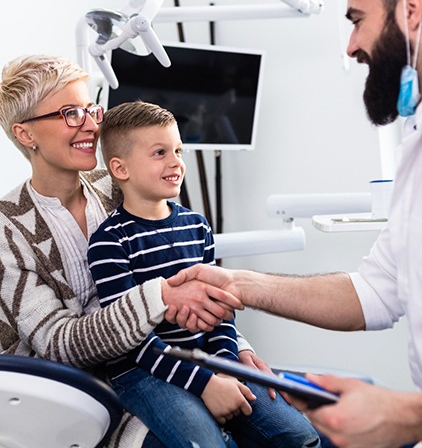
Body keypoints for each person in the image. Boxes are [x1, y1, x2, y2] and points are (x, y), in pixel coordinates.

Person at [167, 0, 422, 447]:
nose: (351, 46)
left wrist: (406, 414)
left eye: (356, 18)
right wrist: (239, 283)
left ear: (410, 10)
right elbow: (376, 291)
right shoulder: (415, 154)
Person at [0, 54, 255, 448]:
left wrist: (235, 349)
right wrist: (162, 296)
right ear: (25, 134)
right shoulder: (7, 228)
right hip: (74, 397)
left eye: (90, 109)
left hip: (165, 364)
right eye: (70, 113)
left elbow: (187, 265)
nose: (91, 124)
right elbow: (58, 344)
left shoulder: (119, 180)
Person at [87, 100, 325, 448]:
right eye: (159, 153)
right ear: (120, 169)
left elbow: (222, 313)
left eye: (178, 150)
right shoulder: (109, 241)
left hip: (209, 358)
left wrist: (227, 368)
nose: (176, 162)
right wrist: (205, 384)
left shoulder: (197, 226)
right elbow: (133, 341)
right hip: (143, 372)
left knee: (300, 437)